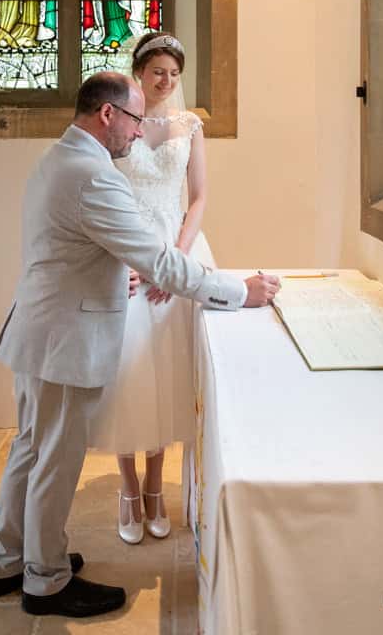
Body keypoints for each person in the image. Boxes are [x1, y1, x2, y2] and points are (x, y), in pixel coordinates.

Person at [0, 71, 279, 619]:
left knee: (30, 447)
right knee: (54, 456)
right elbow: (162, 263)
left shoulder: (56, 157)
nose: (139, 132)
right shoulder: (94, 176)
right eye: (135, 119)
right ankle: (44, 581)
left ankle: (10, 558)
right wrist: (239, 290)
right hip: (65, 338)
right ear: (108, 115)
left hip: (36, 328)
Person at [89, 33, 214, 543]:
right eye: (157, 71)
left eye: (174, 74)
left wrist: (177, 261)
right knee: (127, 371)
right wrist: (129, 259)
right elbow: (99, 191)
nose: (166, 81)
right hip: (127, 255)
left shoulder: (189, 125)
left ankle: (156, 486)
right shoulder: (120, 121)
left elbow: (200, 197)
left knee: (168, 370)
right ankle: (127, 488)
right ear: (139, 72)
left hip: (177, 251)